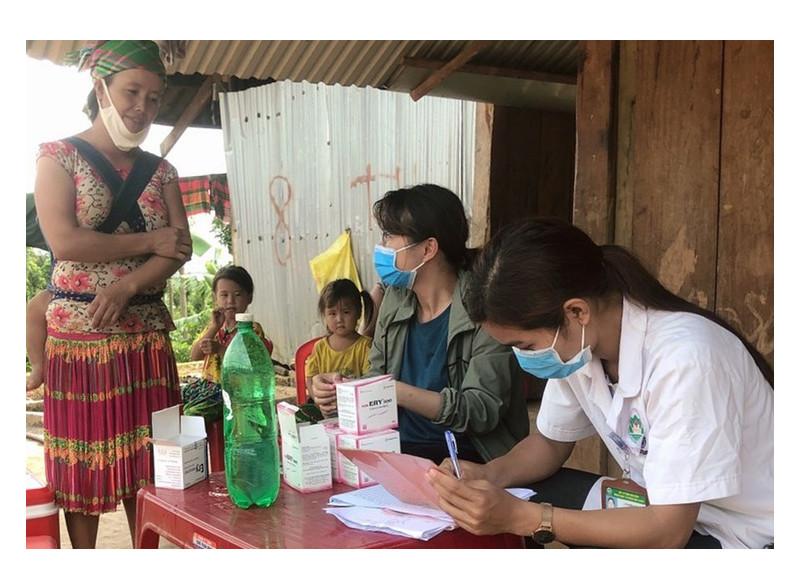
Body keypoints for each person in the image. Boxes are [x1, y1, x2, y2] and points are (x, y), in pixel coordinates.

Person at [426, 218, 774, 549]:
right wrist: (489, 475)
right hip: (661, 507)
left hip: (744, 535)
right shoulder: (580, 349)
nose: (523, 358)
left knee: (527, 509)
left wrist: (525, 518)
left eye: (526, 346)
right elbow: (549, 443)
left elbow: (668, 533)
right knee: (531, 488)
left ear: (577, 312)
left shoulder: (686, 360)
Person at [34, 40, 193, 548]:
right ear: (100, 87)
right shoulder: (57, 157)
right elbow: (65, 241)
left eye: (154, 97)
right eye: (131, 92)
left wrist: (128, 286)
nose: (142, 107)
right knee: (82, 470)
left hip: (146, 340)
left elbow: (181, 246)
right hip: (79, 343)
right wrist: (149, 241)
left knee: (150, 464)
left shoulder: (162, 171)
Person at [311, 184, 530, 464]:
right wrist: (341, 390)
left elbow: (480, 410)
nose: (382, 246)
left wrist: (396, 392)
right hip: (396, 451)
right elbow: (377, 376)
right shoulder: (395, 299)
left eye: (390, 235)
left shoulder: (484, 308)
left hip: (467, 460)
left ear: (428, 249)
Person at [190, 264, 274, 380]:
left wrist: (220, 349)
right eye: (224, 295)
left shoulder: (252, 330)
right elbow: (194, 356)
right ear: (215, 298)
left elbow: (249, 365)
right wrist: (214, 328)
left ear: (249, 297)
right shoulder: (215, 327)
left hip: (238, 387)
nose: (230, 301)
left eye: (237, 294)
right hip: (211, 386)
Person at [305, 278, 374, 399]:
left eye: (346, 312)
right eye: (332, 313)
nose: (339, 319)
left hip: (356, 404)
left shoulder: (366, 346)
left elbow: (369, 383)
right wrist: (318, 400)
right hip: (326, 405)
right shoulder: (320, 348)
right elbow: (310, 379)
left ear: (358, 313)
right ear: (325, 315)